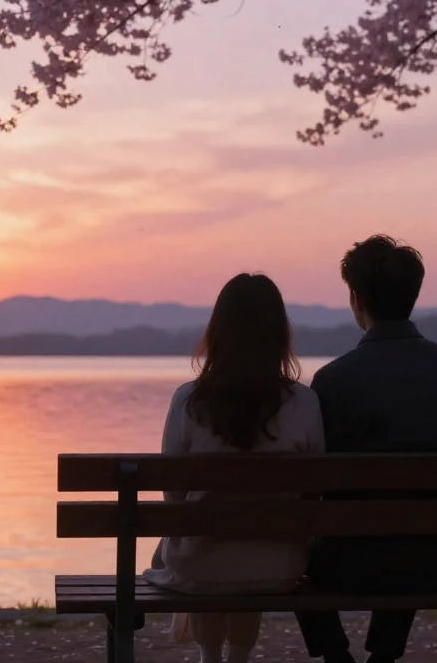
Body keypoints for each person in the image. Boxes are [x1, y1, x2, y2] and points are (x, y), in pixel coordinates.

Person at [293, 235, 437, 663]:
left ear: (356, 299)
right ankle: (383, 656)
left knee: (293, 546)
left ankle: (336, 657)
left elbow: (314, 484)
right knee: (415, 523)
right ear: (413, 296)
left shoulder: (333, 380)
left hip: (348, 562)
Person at [144, 273, 325, 663]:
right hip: (281, 565)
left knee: (193, 549)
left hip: (201, 566)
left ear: (218, 331)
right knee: (252, 545)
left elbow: (172, 496)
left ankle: (210, 655)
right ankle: (237, 659)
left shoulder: (188, 401)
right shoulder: (305, 402)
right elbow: (314, 495)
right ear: (279, 333)